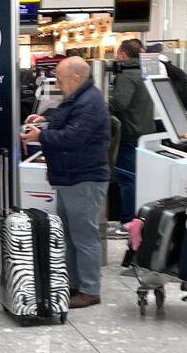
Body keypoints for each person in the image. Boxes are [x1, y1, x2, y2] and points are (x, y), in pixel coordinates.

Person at [21, 56, 111, 308]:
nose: (58, 84)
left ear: (75, 78)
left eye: (60, 79)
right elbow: (66, 124)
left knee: (84, 236)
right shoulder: (79, 98)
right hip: (70, 176)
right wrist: (44, 122)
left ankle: (90, 289)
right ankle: (74, 284)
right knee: (71, 235)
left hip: (83, 178)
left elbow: (74, 137)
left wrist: (42, 135)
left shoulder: (89, 102)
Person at [108, 39, 154, 226]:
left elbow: (120, 103)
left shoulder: (126, 75)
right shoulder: (145, 72)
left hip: (129, 132)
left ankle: (127, 220)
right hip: (145, 130)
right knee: (137, 177)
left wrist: (102, 102)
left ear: (123, 55)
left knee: (126, 178)